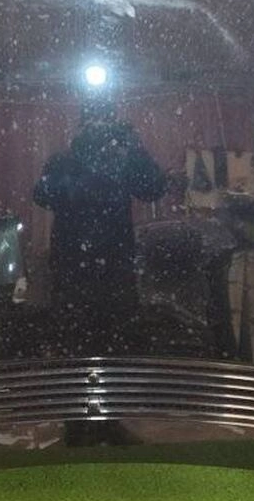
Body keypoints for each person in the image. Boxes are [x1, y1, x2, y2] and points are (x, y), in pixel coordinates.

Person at [33, 100, 167, 356]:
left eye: (105, 123)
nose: (98, 130)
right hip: (72, 272)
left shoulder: (122, 161)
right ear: (81, 127)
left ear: (114, 128)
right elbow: (41, 195)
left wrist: (135, 149)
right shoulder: (64, 161)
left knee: (120, 350)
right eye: (93, 123)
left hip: (116, 271)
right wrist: (77, 163)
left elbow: (153, 189)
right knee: (73, 348)